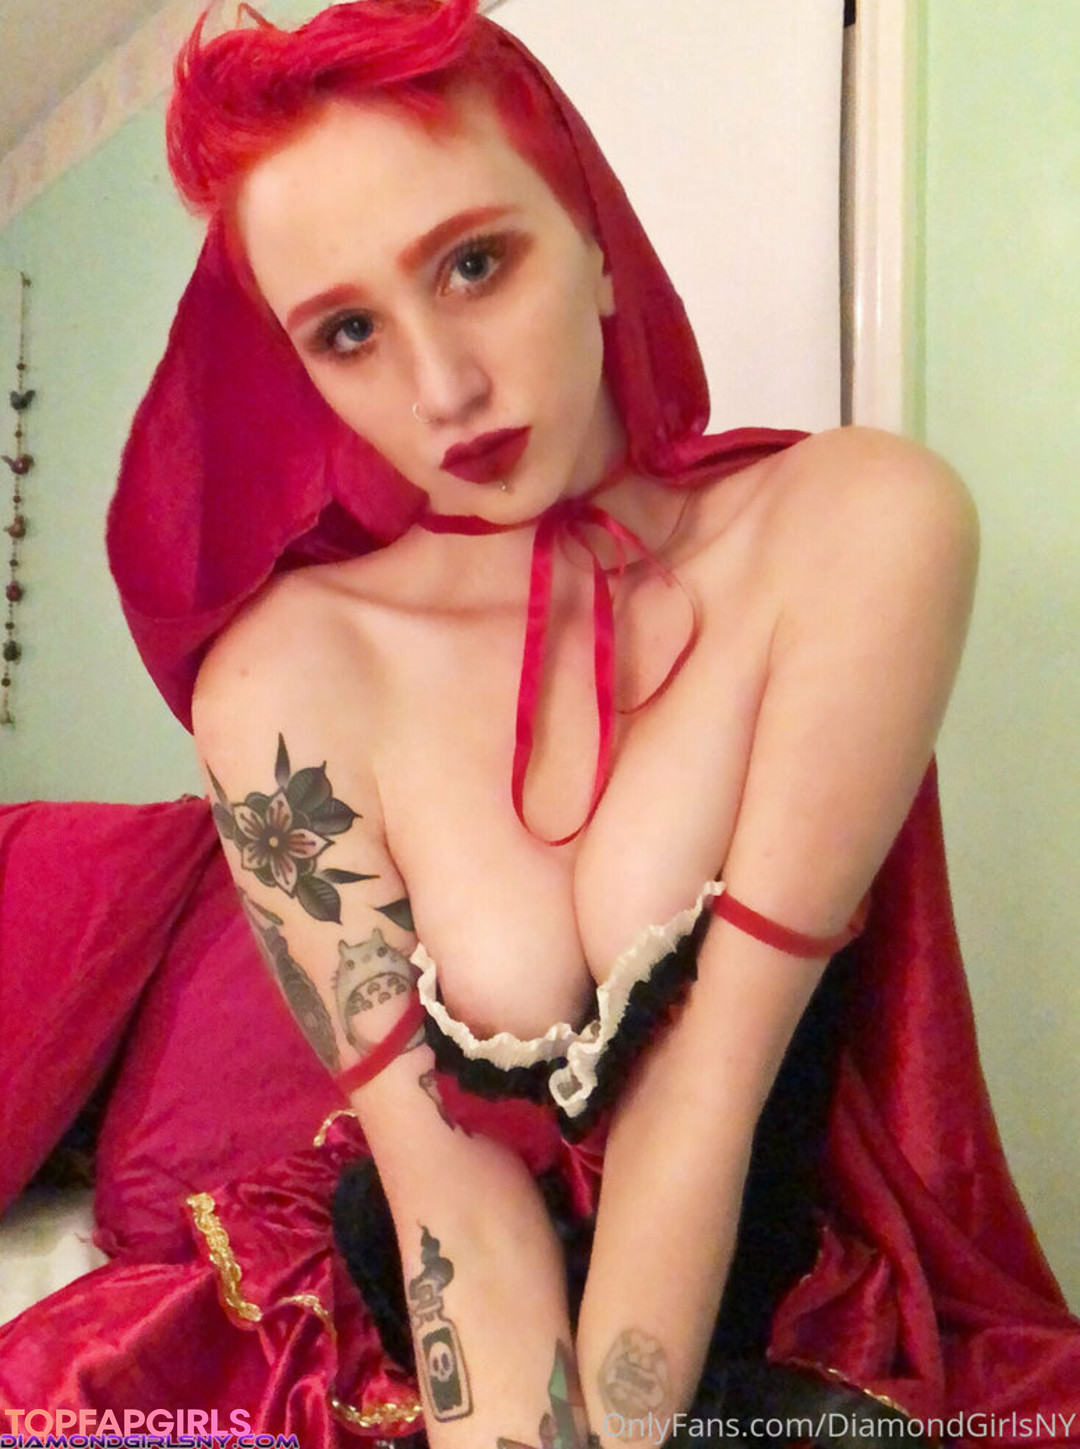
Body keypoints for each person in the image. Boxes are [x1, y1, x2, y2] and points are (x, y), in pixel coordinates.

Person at [104, 2, 1080, 1445]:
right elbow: (449, 1192)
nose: (443, 388)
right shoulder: (287, 674)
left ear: (597, 238)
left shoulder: (856, 525)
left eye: (475, 263)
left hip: (763, 1297)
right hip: (452, 1301)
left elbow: (701, 1105)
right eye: (349, 332)